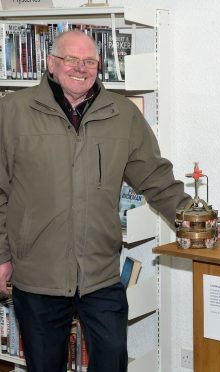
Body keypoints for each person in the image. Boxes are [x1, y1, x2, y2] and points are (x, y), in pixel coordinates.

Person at [0, 30, 200, 371]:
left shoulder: (122, 114)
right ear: (51, 64)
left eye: (89, 61)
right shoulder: (12, 112)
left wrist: (199, 221)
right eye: (70, 60)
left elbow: (155, 178)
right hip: (38, 273)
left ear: (99, 66)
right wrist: (2, 255)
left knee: (111, 362)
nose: (80, 68)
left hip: (100, 274)